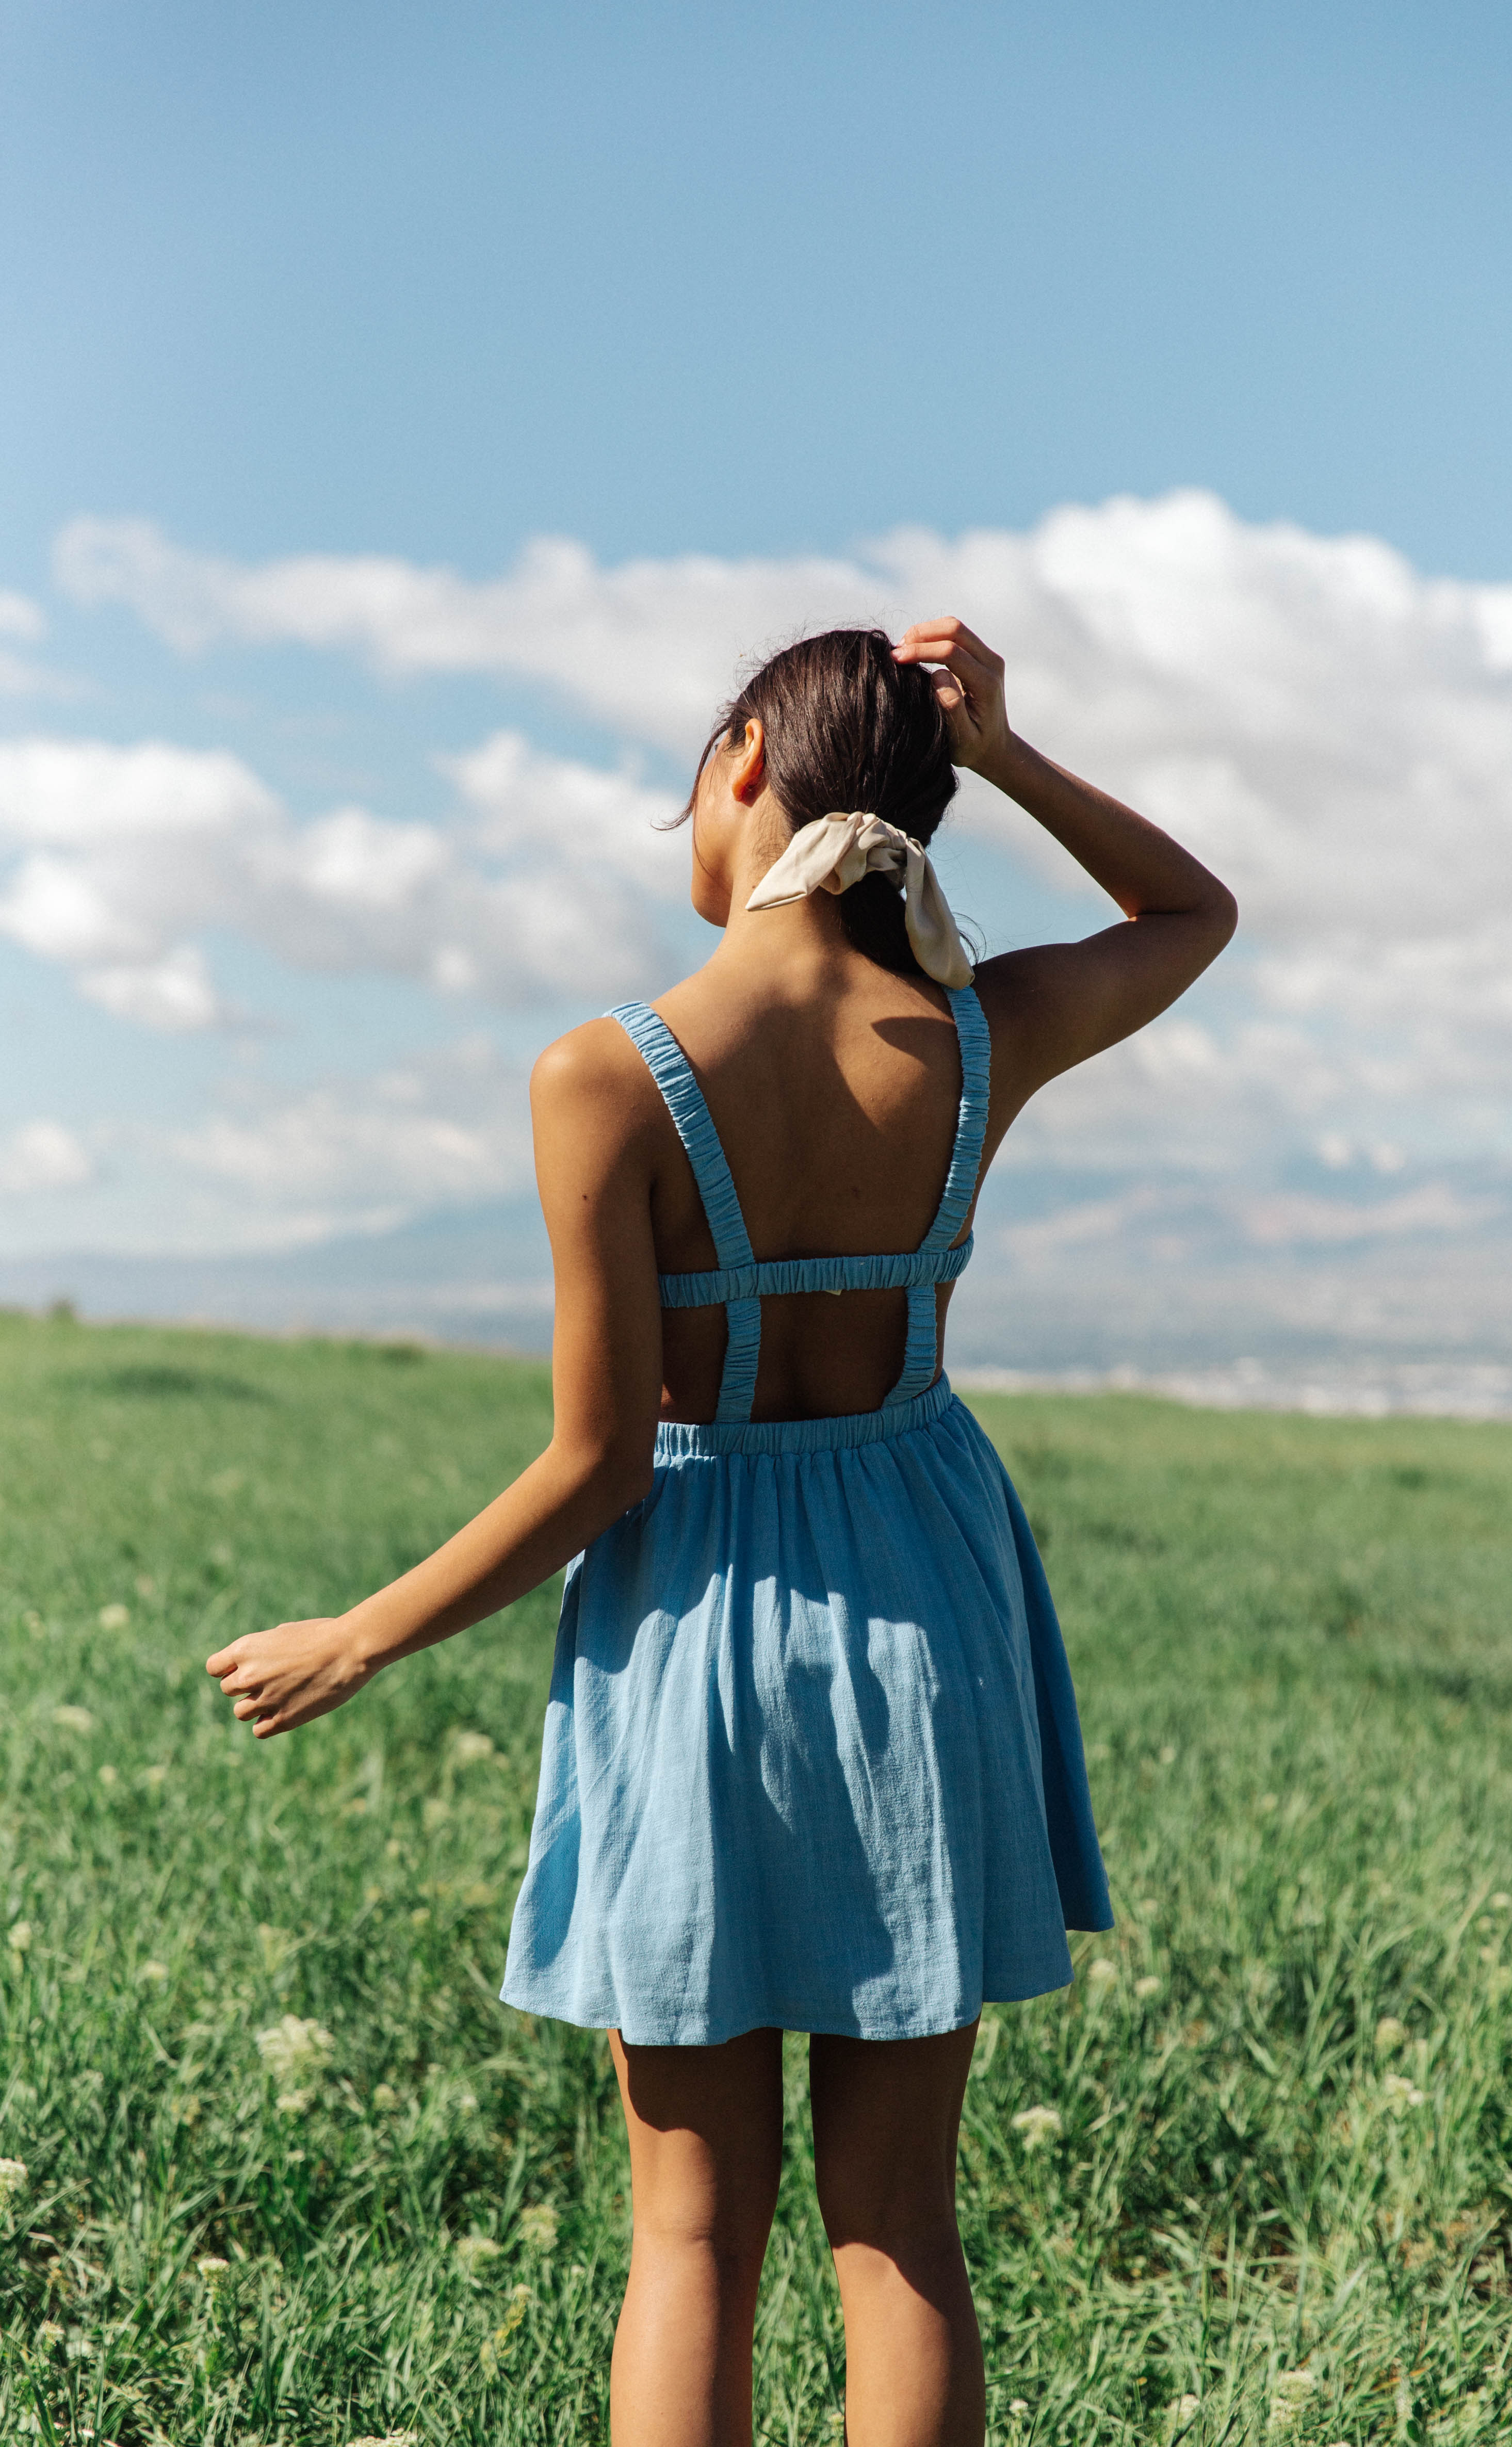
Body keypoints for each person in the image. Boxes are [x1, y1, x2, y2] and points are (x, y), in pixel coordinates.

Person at [206, 619, 1235, 2447]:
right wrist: (1003, 754)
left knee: (689, 2236)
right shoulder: (972, 1039)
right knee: (900, 2232)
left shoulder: (608, 1070)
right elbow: (1189, 917)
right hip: (933, 1593)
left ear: (747, 758)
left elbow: (599, 1463)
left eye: (689, 774)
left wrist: (357, 1634)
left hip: (694, 1621)